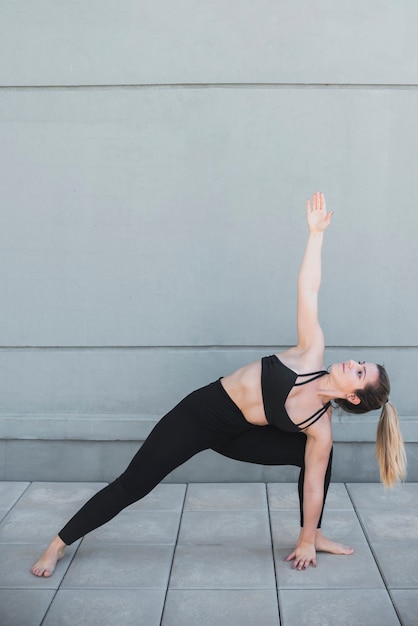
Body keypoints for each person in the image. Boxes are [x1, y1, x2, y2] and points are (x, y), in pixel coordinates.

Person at [31, 192, 406, 577]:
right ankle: (57, 545)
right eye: (361, 362)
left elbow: (313, 487)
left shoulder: (319, 426)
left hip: (240, 436)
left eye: (360, 372)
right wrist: (315, 235)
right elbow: (309, 289)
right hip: (203, 414)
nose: (353, 364)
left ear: (352, 395)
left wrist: (307, 538)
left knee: (319, 458)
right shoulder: (312, 352)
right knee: (134, 484)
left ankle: (311, 537)